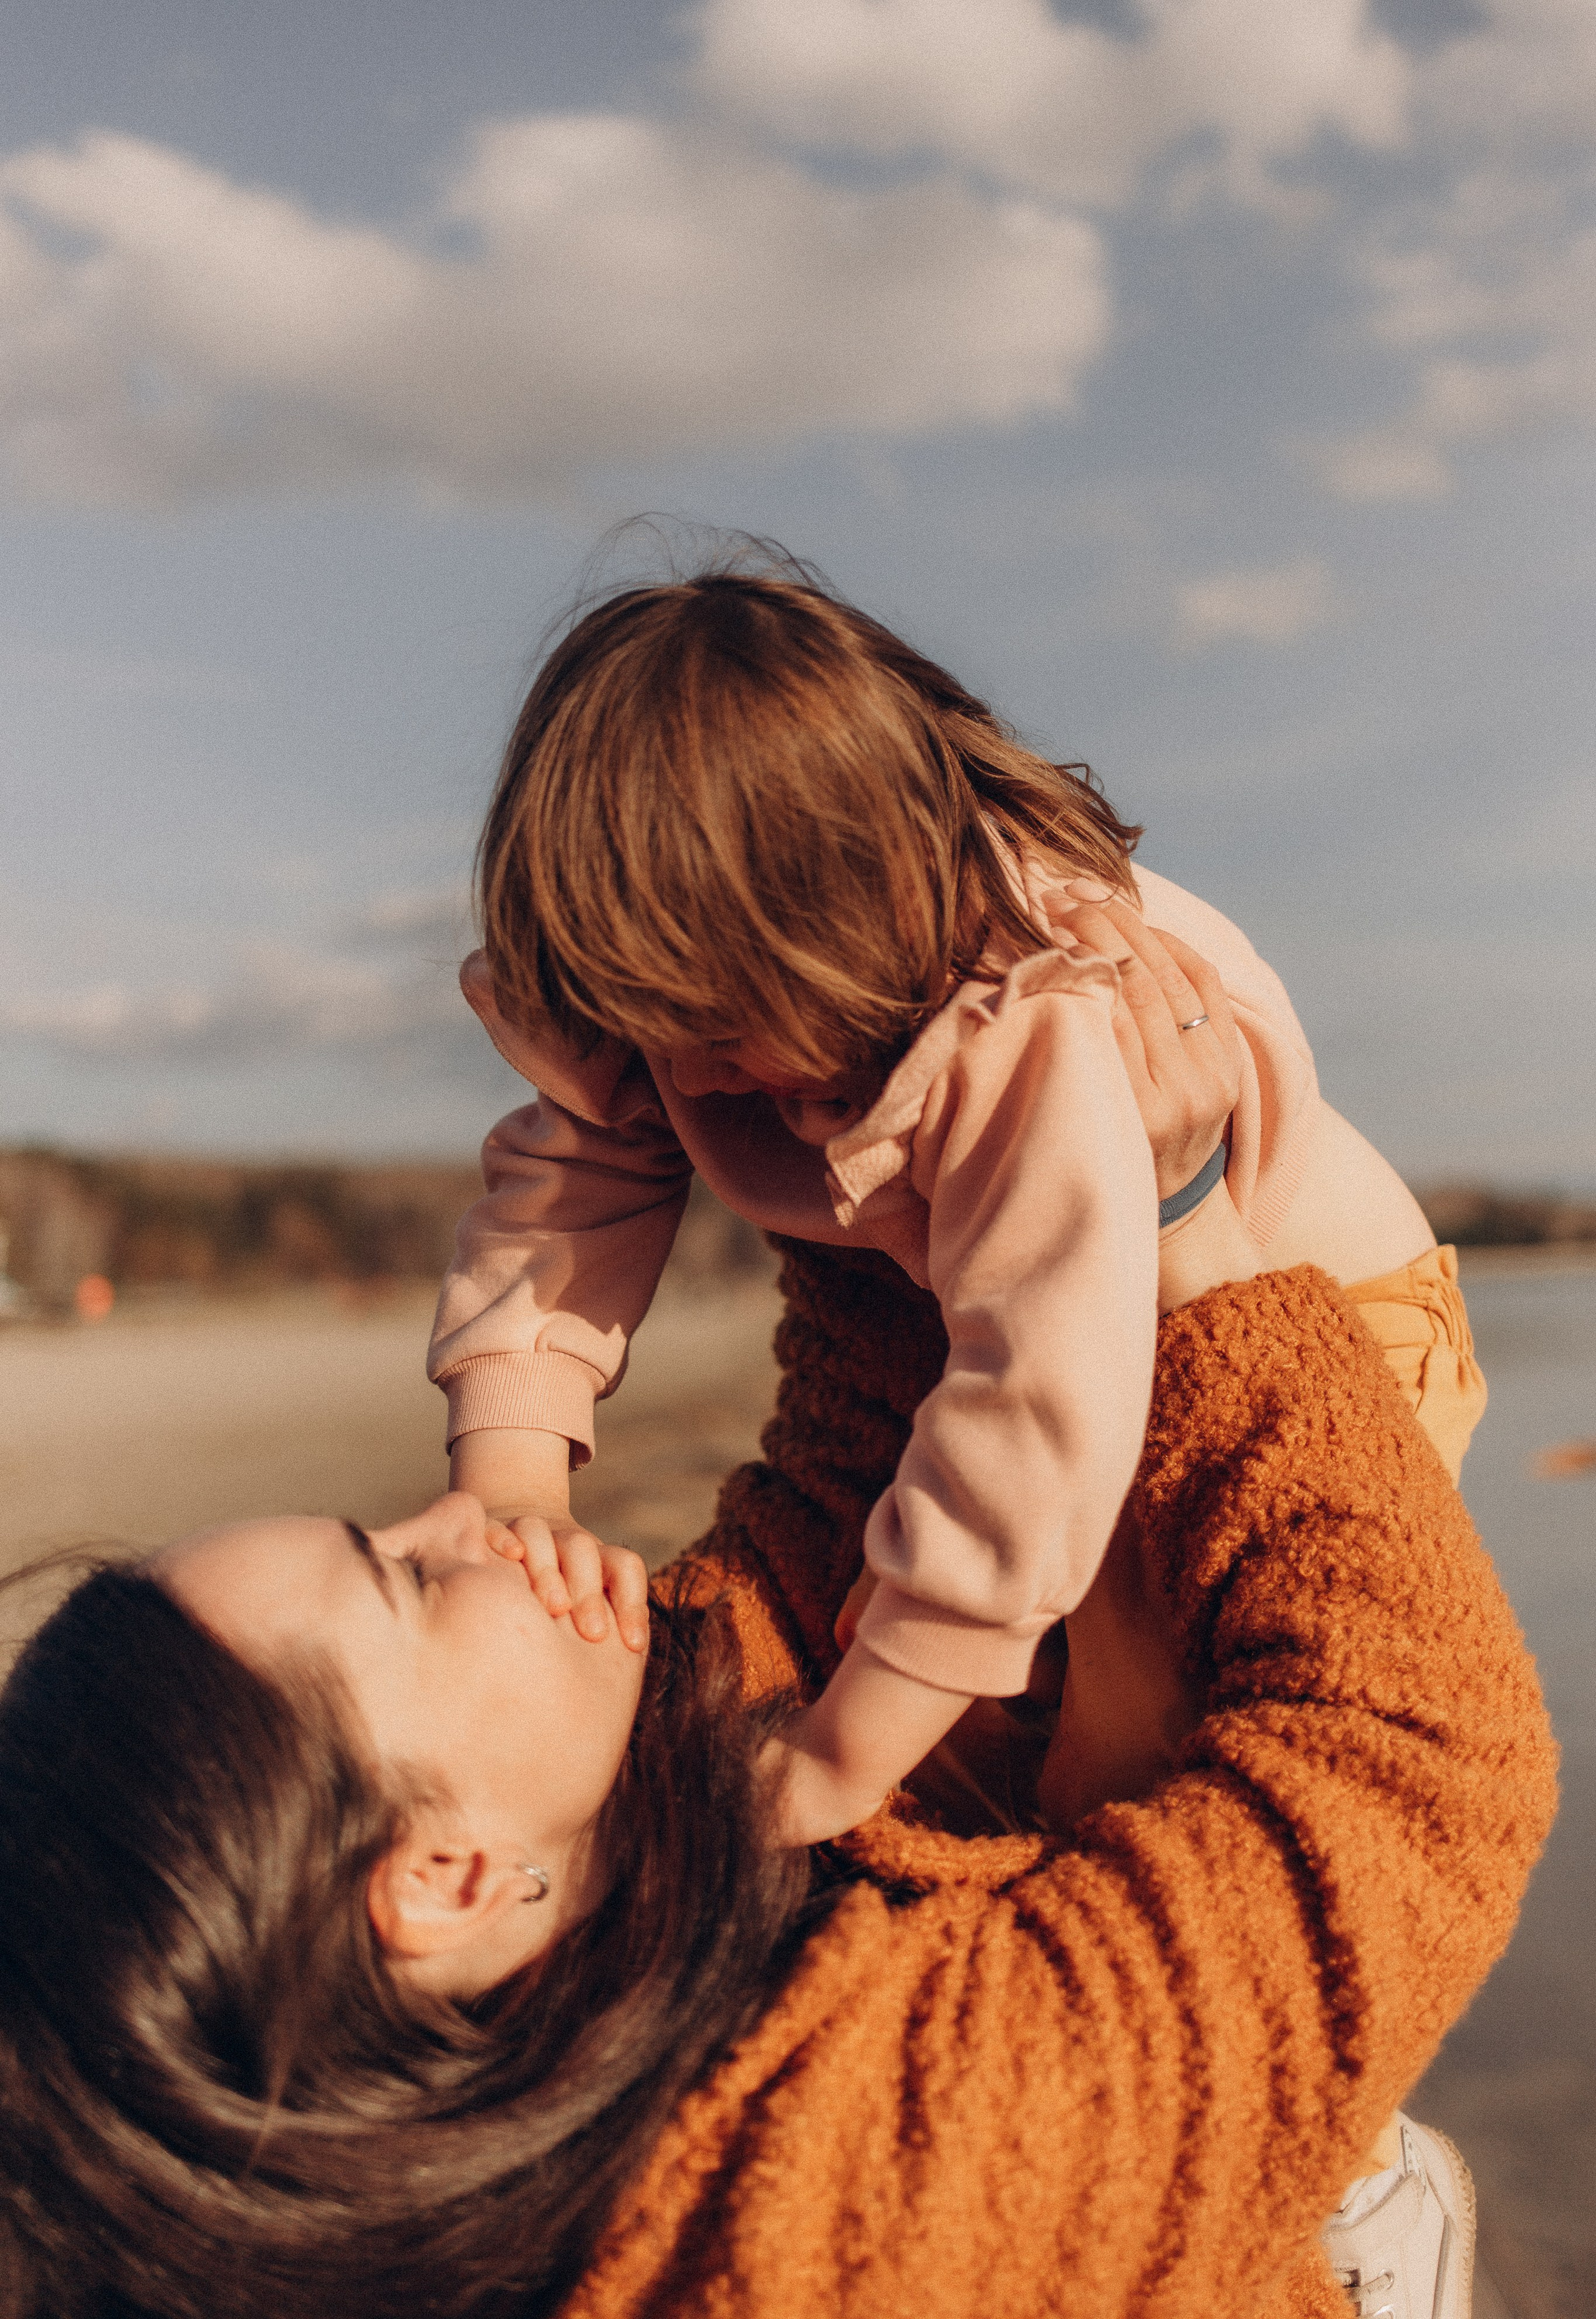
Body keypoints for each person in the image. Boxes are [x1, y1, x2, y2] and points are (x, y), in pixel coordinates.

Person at [0, 1236, 1554, 2319]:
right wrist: (1186, 1224)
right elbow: (1406, 1762)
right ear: (441, 1878)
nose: (457, 1519)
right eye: (404, 1579)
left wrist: (812, 1084)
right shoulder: (890, 2193)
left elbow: (847, 1494)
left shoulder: (598, 1847)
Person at [428, 549, 1486, 1845]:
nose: (688, 1077)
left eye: (713, 1028)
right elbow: (584, 1164)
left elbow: (1033, 1414)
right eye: (650, 1028)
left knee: (1129, 1747)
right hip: (1063, 1303)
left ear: (834, 927)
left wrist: (832, 1765)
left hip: (1314, 1331)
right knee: (959, 1690)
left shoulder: (1030, 1025)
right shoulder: (701, 977)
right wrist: (512, 1485)